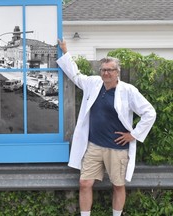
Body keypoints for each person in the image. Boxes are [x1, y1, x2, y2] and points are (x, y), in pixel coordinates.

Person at [56, 39, 156, 216]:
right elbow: (76, 76)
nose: (106, 73)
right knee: (84, 183)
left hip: (117, 148)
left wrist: (134, 134)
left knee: (118, 185)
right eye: (104, 70)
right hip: (94, 146)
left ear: (118, 72)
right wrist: (65, 52)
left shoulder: (128, 91)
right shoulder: (93, 84)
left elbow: (149, 112)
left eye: (110, 70)